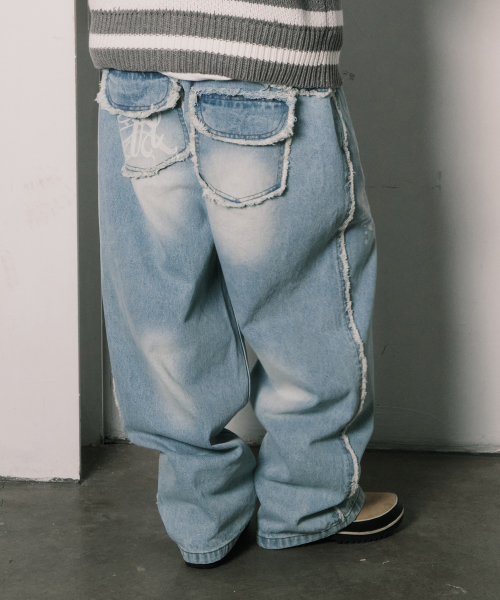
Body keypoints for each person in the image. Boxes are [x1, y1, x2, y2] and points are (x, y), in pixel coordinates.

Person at [88, 0, 404, 568]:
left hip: (135, 56)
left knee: (165, 316)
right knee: (303, 310)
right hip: (265, 50)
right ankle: (309, 503)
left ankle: (201, 517)